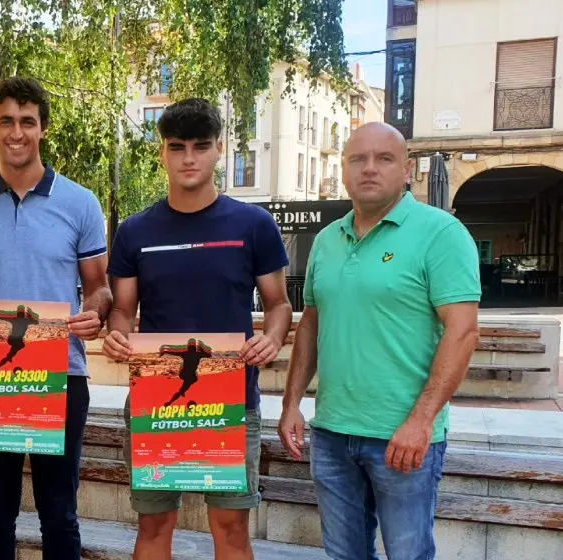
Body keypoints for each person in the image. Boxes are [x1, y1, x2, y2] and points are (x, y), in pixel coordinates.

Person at [277, 122, 481, 560]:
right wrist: (291, 402)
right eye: (358, 159)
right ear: (344, 171)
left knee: (408, 554)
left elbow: (462, 331)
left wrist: (421, 421)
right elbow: (311, 322)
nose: (369, 169)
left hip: (403, 435)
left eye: (384, 159)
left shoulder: (441, 233)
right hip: (331, 433)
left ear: (406, 169)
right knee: (343, 554)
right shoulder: (328, 240)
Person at [102, 98, 293, 560]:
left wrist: (271, 337)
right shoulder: (134, 232)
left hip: (232, 398)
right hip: (156, 398)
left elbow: (280, 304)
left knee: (230, 530)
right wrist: (117, 335)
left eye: (200, 146)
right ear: (162, 153)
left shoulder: (254, 225)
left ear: (219, 150)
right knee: (154, 526)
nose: (189, 157)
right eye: (177, 146)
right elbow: (123, 311)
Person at [0, 76, 113, 559]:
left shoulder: (81, 203)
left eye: (27, 121)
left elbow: (99, 289)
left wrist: (93, 315)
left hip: (63, 374)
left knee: (60, 514)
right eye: (6, 121)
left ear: (43, 129)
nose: (17, 132)